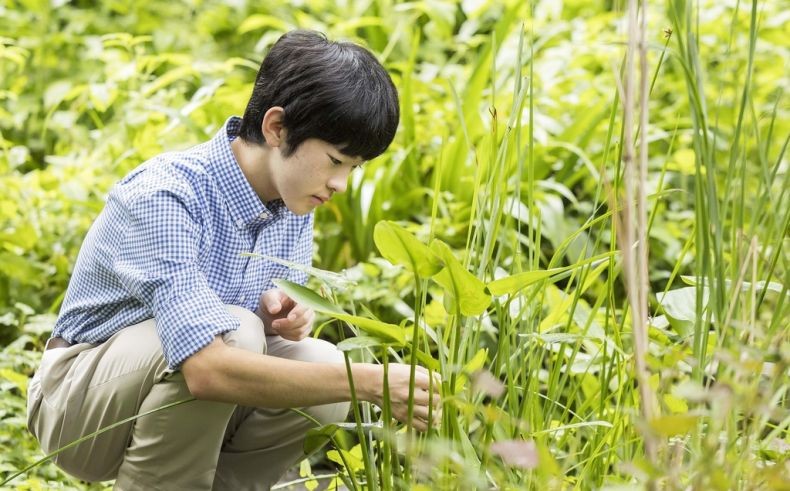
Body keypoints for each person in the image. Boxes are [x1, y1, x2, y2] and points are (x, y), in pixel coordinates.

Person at [26, 30, 440, 490]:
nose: (341, 183)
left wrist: (281, 317)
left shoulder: (294, 200)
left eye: (354, 167)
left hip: (180, 394)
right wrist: (367, 382)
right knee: (236, 336)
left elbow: (256, 332)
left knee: (313, 357)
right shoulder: (167, 194)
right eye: (335, 160)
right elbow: (206, 369)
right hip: (76, 409)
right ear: (276, 127)